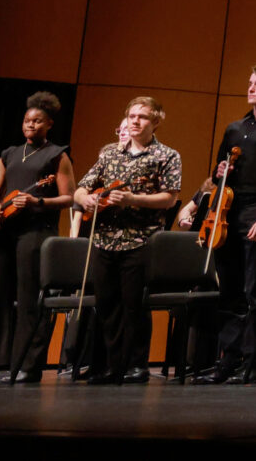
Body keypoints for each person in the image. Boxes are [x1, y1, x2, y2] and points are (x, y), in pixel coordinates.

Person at [179, 65, 256, 385]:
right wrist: (221, 171)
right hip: (228, 213)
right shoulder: (235, 128)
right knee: (230, 291)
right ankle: (228, 360)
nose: (251, 88)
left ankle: (255, 362)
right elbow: (217, 174)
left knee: (255, 293)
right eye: (249, 83)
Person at [71, 96, 182, 385]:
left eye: (142, 117)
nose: (135, 121)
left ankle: (136, 365)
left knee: (134, 305)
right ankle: (110, 365)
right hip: (104, 239)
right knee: (106, 304)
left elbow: (170, 199)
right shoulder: (110, 153)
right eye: (132, 116)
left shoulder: (167, 155)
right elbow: (81, 188)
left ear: (156, 121)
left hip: (140, 239)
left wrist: (133, 199)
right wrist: (88, 199)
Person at [0, 93, 75, 385]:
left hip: (36, 232)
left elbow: (69, 198)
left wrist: (38, 203)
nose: (31, 124)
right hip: (4, 231)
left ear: (49, 124)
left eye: (37, 120)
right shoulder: (9, 153)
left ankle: (28, 366)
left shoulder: (57, 154)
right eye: (27, 120)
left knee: (30, 300)